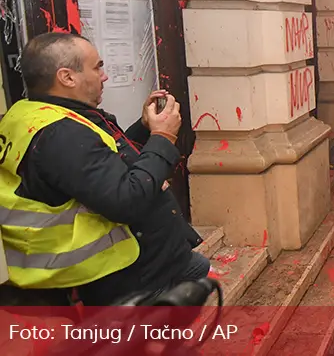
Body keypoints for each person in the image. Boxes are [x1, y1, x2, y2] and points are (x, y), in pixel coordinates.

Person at [0, 32, 208, 306]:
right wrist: (163, 138)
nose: (104, 75)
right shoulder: (61, 134)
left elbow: (102, 162)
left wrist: (145, 130)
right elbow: (126, 199)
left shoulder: (33, 113)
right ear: (67, 77)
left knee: (198, 268)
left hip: (146, 263)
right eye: (97, 66)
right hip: (121, 278)